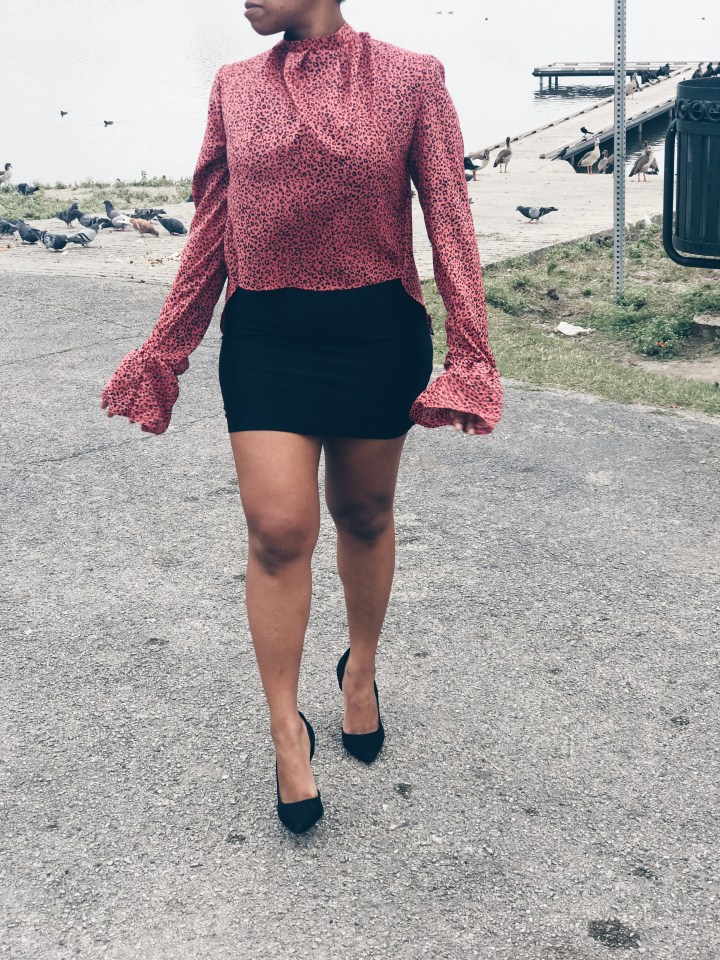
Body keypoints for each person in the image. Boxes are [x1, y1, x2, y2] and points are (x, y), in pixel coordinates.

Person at [99, 0, 503, 834]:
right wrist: (165, 351)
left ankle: (359, 672)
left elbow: (449, 219)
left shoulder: (412, 78)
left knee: (364, 512)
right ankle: (287, 732)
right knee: (279, 529)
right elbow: (211, 227)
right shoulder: (234, 85)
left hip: (377, 332)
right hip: (267, 336)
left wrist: (471, 353)